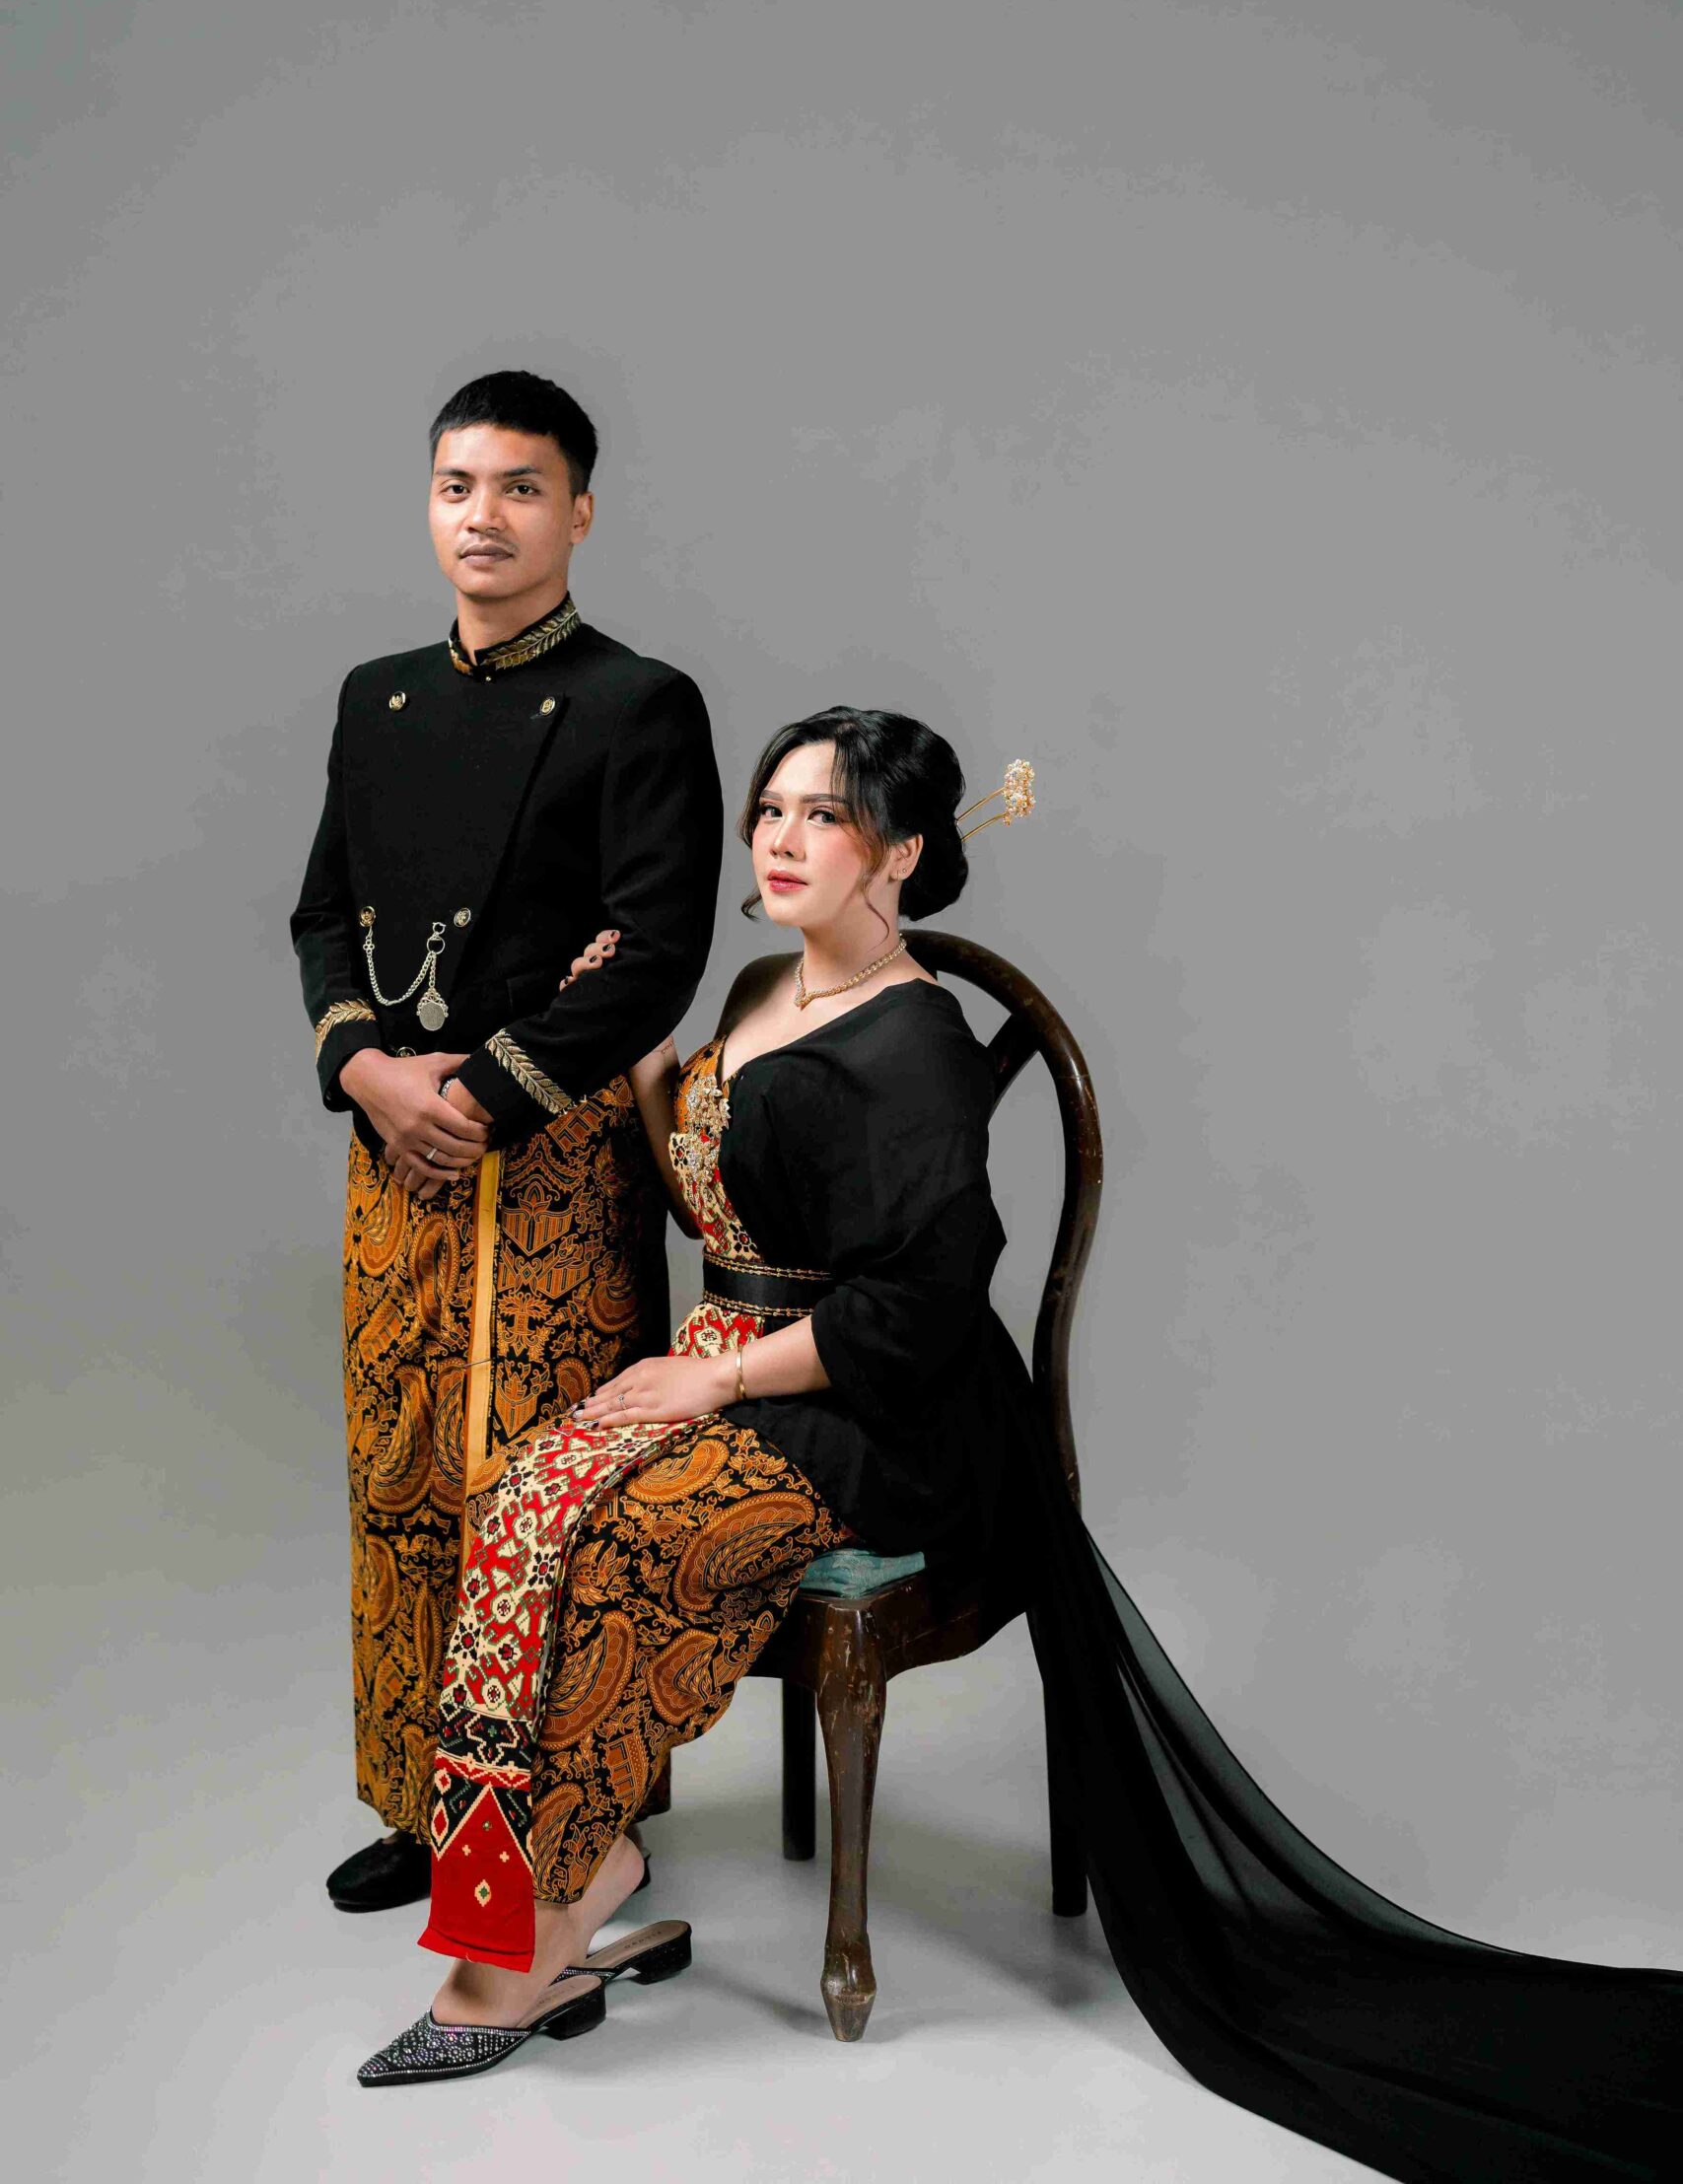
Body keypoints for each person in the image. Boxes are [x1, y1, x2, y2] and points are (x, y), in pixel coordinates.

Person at [359, 708, 1681, 2184]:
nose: (781, 840)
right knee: (521, 1498)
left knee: (641, 1536)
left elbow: (920, 1306)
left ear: (902, 852)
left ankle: (521, 1943)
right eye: (771, 810)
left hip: (876, 1404)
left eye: (825, 816)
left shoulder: (916, 1041)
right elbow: (719, 1206)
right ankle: (574, 1868)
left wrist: (711, 1385)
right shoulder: (757, 988)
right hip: (730, 1361)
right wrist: (660, 1065)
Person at [290, 368, 722, 1914]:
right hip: (392, 1157)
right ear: (430, 504)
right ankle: (424, 1808)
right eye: (458, 486)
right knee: (397, 1475)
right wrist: (364, 1071)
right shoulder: (377, 696)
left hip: (546, 1164)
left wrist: (476, 1095)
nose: (485, 516)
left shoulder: (636, 702)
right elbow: (321, 918)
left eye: (521, 488)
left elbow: (658, 952)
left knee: (534, 1492)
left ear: (579, 512)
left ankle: (559, 1824)